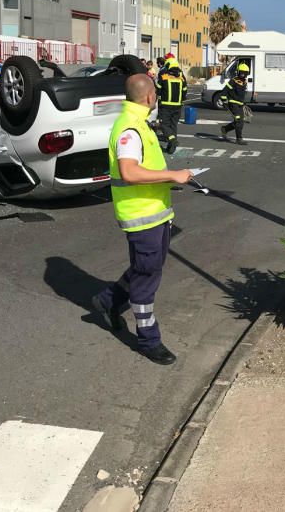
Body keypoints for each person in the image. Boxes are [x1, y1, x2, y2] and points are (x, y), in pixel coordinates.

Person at [92, 74, 193, 365]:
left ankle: (108, 301)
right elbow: (130, 171)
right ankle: (148, 339)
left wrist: (173, 179)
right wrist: (173, 175)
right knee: (147, 277)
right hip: (142, 217)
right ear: (149, 97)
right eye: (156, 95)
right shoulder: (130, 128)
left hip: (155, 213)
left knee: (145, 268)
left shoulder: (138, 124)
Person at [156, 57, 188, 154]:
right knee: (173, 125)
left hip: (165, 106)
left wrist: (159, 99)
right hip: (177, 107)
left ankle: (172, 140)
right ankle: (171, 147)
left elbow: (158, 90)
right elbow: (185, 92)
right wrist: (181, 100)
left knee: (164, 125)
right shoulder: (182, 78)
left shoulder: (164, 77)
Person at [219, 62, 250, 145]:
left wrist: (243, 104)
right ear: (238, 72)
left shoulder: (244, 82)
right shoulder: (233, 81)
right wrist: (224, 101)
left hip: (240, 104)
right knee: (238, 120)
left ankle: (225, 129)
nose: (243, 74)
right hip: (233, 104)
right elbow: (224, 91)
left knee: (240, 122)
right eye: (241, 72)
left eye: (245, 73)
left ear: (247, 73)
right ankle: (239, 139)